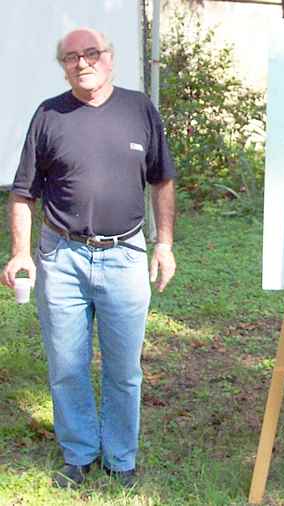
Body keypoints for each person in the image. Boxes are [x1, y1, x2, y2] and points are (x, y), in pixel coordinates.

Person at [0, 28, 177, 488]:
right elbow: (22, 193)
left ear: (110, 58)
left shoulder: (139, 109)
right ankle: (78, 454)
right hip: (61, 257)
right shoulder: (48, 115)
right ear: (63, 66)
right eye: (71, 57)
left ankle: (120, 459)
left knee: (124, 369)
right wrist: (20, 253)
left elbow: (162, 180)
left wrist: (164, 244)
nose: (82, 63)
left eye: (92, 53)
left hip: (125, 256)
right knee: (66, 367)